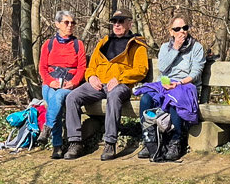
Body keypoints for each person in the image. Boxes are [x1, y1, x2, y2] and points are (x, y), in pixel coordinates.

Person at [62, 11, 150, 160]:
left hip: (121, 85)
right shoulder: (104, 42)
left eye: (121, 21)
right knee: (72, 97)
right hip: (98, 84)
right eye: (114, 21)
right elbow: (91, 67)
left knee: (114, 96)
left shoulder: (137, 45)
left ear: (129, 23)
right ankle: (75, 142)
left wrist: (120, 78)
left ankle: (110, 142)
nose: (117, 24)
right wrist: (91, 77)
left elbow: (141, 70)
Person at [134, 15, 205, 160]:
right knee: (146, 99)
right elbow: (163, 68)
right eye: (177, 29)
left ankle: (176, 141)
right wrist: (176, 48)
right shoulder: (166, 47)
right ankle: (150, 140)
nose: (182, 32)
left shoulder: (196, 47)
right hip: (166, 83)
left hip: (185, 85)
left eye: (185, 28)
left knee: (175, 99)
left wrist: (179, 83)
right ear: (171, 32)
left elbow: (196, 73)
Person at [38, 9, 87, 159]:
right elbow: (42, 67)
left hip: (68, 84)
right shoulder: (48, 44)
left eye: (73, 23)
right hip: (50, 82)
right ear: (57, 24)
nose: (70, 25)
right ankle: (57, 147)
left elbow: (82, 67)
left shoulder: (78, 44)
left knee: (58, 97)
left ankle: (48, 130)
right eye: (66, 22)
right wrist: (50, 81)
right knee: (55, 102)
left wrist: (73, 83)